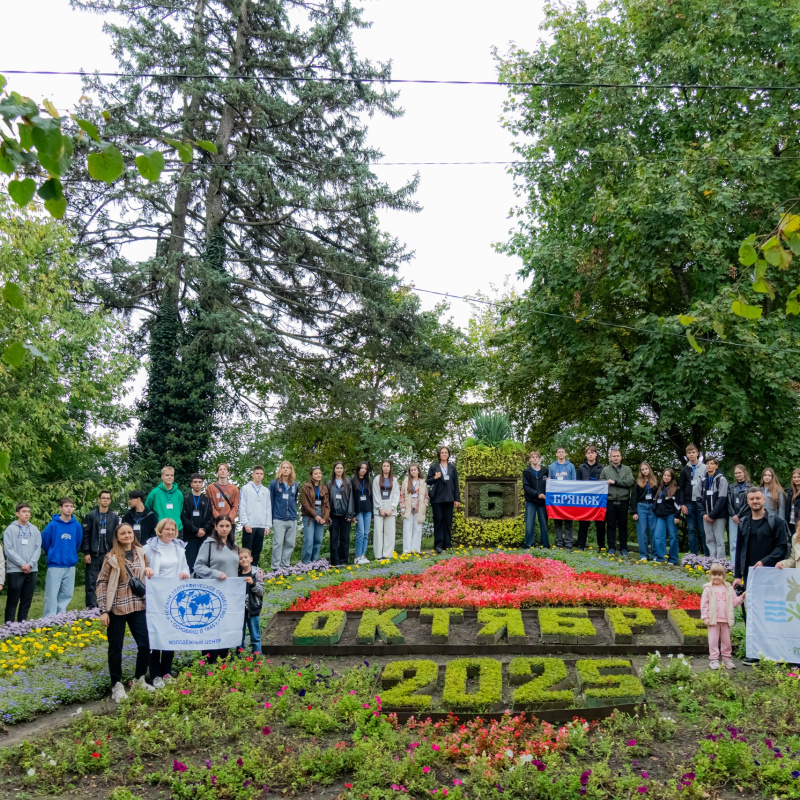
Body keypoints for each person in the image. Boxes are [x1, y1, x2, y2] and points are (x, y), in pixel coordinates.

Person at [96, 523, 154, 702]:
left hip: (138, 605)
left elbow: (147, 575)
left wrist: (149, 571)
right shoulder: (111, 557)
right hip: (117, 607)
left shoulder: (141, 553)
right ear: (117, 537)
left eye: (129, 532)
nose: (127, 535)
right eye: (123, 533)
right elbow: (101, 582)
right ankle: (116, 685)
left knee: (145, 644)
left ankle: (139, 679)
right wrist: (103, 610)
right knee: (116, 647)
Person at [734, 487, 790, 664]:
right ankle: (754, 652)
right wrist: (737, 575)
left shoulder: (776, 522)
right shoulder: (743, 523)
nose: (755, 501)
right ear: (747, 502)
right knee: (751, 612)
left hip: (771, 575)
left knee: (772, 613)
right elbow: (739, 550)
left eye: (758, 498)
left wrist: (765, 561)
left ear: (764, 499)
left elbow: (782, 547)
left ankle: (775, 651)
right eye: (751, 499)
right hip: (750, 575)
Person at [142, 518, 190, 688]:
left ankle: (166, 671)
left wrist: (185, 573)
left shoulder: (179, 548)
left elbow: (185, 567)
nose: (170, 532)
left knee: (171, 635)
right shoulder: (149, 548)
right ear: (160, 530)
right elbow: (139, 567)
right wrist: (146, 570)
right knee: (156, 634)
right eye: (167, 529)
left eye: (173, 529)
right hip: (155, 597)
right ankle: (155, 674)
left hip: (173, 597)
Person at [193, 514, 240, 661]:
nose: (224, 529)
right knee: (212, 626)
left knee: (225, 626)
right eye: (221, 526)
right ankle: (209, 661)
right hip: (212, 593)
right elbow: (198, 566)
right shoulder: (208, 544)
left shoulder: (234, 546)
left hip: (230, 593)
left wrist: (256, 571)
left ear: (231, 527)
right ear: (216, 527)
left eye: (227, 526)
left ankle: (223, 660)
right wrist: (216, 573)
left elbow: (239, 566)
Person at [41, 498, 83, 618]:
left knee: (66, 594)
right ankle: (48, 619)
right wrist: (52, 553)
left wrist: (70, 554)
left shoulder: (76, 525)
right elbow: (44, 541)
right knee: (51, 594)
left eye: (71, 506)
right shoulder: (52, 525)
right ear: (60, 508)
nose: (69, 508)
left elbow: (77, 543)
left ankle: (60, 618)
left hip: (70, 565)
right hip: (55, 564)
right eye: (66, 506)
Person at [701, 562, 745, 671]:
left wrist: (742, 597)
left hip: (726, 620)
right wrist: (705, 617)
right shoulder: (708, 589)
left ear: (724, 576)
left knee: (726, 641)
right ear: (710, 575)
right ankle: (714, 659)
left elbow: (734, 603)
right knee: (713, 640)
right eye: (714, 574)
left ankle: (726, 659)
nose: (716, 577)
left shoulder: (729, 588)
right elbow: (704, 604)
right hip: (713, 620)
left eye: (719, 574)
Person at [3, 503, 41, 623]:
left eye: (28, 511)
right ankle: (9, 627)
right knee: (12, 601)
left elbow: (38, 548)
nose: (27, 514)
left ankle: (22, 626)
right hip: (15, 570)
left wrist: (30, 564)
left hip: (31, 570)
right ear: (17, 514)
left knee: (26, 601)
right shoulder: (10, 529)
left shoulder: (34, 530)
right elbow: (8, 550)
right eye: (24, 511)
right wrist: (22, 564)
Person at [82, 490, 121, 608]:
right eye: (103, 498)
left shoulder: (114, 517)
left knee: (108, 580)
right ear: (99, 500)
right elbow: (86, 535)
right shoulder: (91, 516)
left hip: (108, 554)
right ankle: (91, 606)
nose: (105, 500)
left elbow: (116, 536)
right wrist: (86, 552)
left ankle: (107, 604)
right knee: (91, 581)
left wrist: (116, 552)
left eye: (108, 498)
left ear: (110, 501)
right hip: (93, 554)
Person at [426, 446, 461, 554]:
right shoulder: (434, 467)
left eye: (446, 452)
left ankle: (447, 544)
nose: (444, 454)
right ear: (439, 454)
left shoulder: (452, 468)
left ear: (448, 454)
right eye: (442, 452)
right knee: (438, 520)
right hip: (437, 498)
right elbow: (428, 481)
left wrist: (457, 499)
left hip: (449, 498)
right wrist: (435, 478)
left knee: (448, 521)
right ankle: (438, 545)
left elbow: (456, 484)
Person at [600, 448, 634, 556]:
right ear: (610, 458)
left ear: (621, 457)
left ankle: (623, 548)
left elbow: (630, 482)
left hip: (623, 501)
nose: (616, 458)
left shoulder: (627, 469)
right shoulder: (605, 470)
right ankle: (611, 547)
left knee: (623, 526)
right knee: (611, 525)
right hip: (610, 501)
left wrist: (615, 482)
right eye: (614, 456)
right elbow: (601, 483)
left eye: (617, 456)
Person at [268, 461, 299, 571]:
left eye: (287, 468)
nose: (285, 469)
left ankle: (285, 565)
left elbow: (294, 499)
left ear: (291, 470)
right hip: (278, 518)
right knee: (278, 543)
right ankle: (276, 567)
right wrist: (271, 519)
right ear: (280, 470)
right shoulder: (274, 484)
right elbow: (270, 501)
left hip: (292, 518)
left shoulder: (295, 485)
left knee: (290, 543)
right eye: (283, 467)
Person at [239, 466, 272, 569]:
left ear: (263, 476)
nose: (259, 475)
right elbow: (242, 506)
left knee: (257, 549)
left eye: (261, 474)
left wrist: (267, 525)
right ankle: (243, 570)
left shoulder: (266, 490)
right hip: (250, 524)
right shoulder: (246, 488)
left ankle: (253, 569)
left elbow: (268, 508)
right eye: (257, 473)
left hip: (261, 524)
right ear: (253, 474)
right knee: (246, 550)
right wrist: (245, 523)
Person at [181, 474, 214, 571]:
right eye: (195, 482)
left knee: (203, 562)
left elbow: (211, 517)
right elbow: (184, 517)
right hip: (190, 536)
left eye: (199, 482)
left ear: (202, 484)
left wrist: (204, 529)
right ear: (191, 484)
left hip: (204, 535)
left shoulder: (207, 499)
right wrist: (196, 530)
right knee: (190, 561)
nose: (197, 484)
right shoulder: (186, 499)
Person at [680, 444, 708, 556]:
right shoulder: (684, 470)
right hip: (688, 503)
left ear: (697, 453)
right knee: (691, 530)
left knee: (703, 530)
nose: (691, 455)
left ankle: (707, 556)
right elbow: (681, 488)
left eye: (693, 452)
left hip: (701, 503)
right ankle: (693, 556)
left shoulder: (705, 468)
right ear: (686, 455)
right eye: (689, 453)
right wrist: (682, 504)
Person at [575, 446, 604, 551]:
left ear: (596, 454)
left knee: (600, 524)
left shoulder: (601, 467)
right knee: (583, 524)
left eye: (592, 452)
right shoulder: (581, 467)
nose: (590, 454)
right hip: (584, 500)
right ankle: (581, 546)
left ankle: (602, 547)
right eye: (588, 453)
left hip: (598, 500)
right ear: (586, 455)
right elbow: (577, 483)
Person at [548, 447, 576, 549]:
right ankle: (559, 543)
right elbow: (550, 481)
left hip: (568, 498)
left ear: (565, 454)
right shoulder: (552, 466)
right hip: (556, 498)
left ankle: (568, 544)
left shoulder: (571, 466)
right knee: (557, 522)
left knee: (568, 522)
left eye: (562, 452)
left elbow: (574, 481)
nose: (561, 454)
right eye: (559, 452)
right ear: (556, 454)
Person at [700, 458, 728, 560]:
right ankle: (712, 560)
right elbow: (698, 499)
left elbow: (722, 499)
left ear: (716, 466)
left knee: (719, 539)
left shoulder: (722, 479)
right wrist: (704, 513)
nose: (709, 465)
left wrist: (712, 515)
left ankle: (720, 562)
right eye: (707, 464)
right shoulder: (703, 480)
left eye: (712, 464)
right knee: (709, 539)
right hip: (706, 516)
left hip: (718, 516)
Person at [327, 462, 354, 566]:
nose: (339, 470)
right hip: (333, 515)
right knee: (333, 538)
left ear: (343, 470)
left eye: (341, 468)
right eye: (337, 468)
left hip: (345, 515)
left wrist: (350, 514)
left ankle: (343, 561)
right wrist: (327, 515)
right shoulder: (329, 483)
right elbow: (327, 500)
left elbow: (351, 499)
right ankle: (335, 562)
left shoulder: (348, 483)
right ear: (334, 470)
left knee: (344, 538)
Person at [300, 467, 329, 564]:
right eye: (316, 473)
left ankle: (314, 563)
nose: (318, 475)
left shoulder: (324, 488)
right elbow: (305, 504)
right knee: (309, 540)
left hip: (321, 515)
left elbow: (327, 505)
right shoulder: (306, 487)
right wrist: (315, 515)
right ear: (312, 476)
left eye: (319, 473)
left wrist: (325, 518)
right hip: (309, 516)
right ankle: (305, 564)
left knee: (318, 540)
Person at [653, 468, 682, 564]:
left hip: (671, 516)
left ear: (672, 477)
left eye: (668, 476)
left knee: (673, 537)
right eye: (665, 475)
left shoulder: (675, 489)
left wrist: (677, 516)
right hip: (660, 516)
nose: (666, 477)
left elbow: (678, 503)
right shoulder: (660, 488)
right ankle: (661, 558)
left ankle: (673, 559)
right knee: (658, 536)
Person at [238, 548, 264, 654]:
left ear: (251, 559)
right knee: (239, 635)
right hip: (239, 611)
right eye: (240, 558)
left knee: (255, 635)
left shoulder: (257, 574)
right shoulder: (236, 573)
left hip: (253, 609)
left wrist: (253, 583)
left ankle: (257, 655)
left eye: (246, 557)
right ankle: (240, 655)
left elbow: (261, 591)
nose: (243, 560)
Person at [373, 460, 401, 559]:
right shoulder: (377, 479)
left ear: (390, 468)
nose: (385, 468)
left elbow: (396, 495)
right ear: (382, 467)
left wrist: (392, 509)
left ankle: (387, 555)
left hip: (390, 509)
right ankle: (378, 555)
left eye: (387, 466)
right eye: (384, 466)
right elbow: (376, 494)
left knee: (389, 533)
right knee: (378, 532)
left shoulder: (394, 480)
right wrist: (380, 508)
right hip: (379, 509)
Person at [631, 462, 658, 561]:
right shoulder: (638, 482)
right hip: (641, 506)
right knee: (642, 531)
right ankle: (644, 555)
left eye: (646, 469)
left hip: (652, 507)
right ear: (640, 471)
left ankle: (655, 555)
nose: (645, 471)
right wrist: (634, 512)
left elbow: (658, 496)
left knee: (653, 530)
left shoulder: (655, 481)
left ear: (649, 469)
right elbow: (634, 497)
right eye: (642, 470)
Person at [400, 462, 429, 554]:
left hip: (419, 508)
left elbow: (426, 495)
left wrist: (425, 503)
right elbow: (402, 495)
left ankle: (415, 550)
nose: (413, 472)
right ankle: (407, 551)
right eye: (411, 470)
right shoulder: (406, 481)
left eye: (415, 470)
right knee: (407, 529)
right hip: (408, 508)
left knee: (417, 529)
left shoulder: (423, 482)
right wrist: (402, 507)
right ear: (409, 472)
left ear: (418, 471)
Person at [523, 451, 549, 548]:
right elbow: (526, 487)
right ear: (530, 459)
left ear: (539, 459)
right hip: (531, 501)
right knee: (529, 523)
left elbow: (550, 485)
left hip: (542, 501)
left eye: (536, 457)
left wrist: (550, 482)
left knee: (544, 524)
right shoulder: (526, 472)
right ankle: (529, 544)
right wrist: (537, 494)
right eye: (532, 457)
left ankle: (545, 545)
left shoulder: (545, 471)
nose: (534, 458)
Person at [727, 465, 753, 564]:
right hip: (732, 517)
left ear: (744, 473)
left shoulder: (751, 487)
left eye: (739, 473)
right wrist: (733, 514)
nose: (738, 475)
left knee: (745, 540)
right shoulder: (731, 487)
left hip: (745, 517)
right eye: (736, 473)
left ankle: (744, 563)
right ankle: (734, 564)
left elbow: (748, 503)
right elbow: (728, 502)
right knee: (733, 541)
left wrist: (739, 515)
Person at [145, 466, 183, 534]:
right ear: (162, 476)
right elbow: (147, 509)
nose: (169, 477)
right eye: (167, 475)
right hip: (160, 528)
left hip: (176, 528)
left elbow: (180, 510)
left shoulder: (179, 494)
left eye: (171, 475)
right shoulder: (155, 492)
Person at [206, 463, 240, 536]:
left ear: (228, 473)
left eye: (224, 469)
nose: (222, 471)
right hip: (215, 522)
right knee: (215, 542)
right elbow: (210, 505)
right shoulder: (211, 488)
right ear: (217, 473)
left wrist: (228, 518)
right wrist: (219, 517)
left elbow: (235, 506)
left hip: (229, 522)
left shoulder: (234, 489)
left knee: (229, 542)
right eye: (220, 469)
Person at [352, 462, 373, 565]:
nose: (363, 470)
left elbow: (371, 497)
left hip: (368, 510)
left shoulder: (368, 482)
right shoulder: (352, 481)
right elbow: (351, 499)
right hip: (358, 511)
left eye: (365, 468)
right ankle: (357, 556)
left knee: (366, 533)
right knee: (360, 533)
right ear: (358, 469)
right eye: (362, 468)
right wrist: (353, 514)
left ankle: (363, 555)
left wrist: (372, 513)